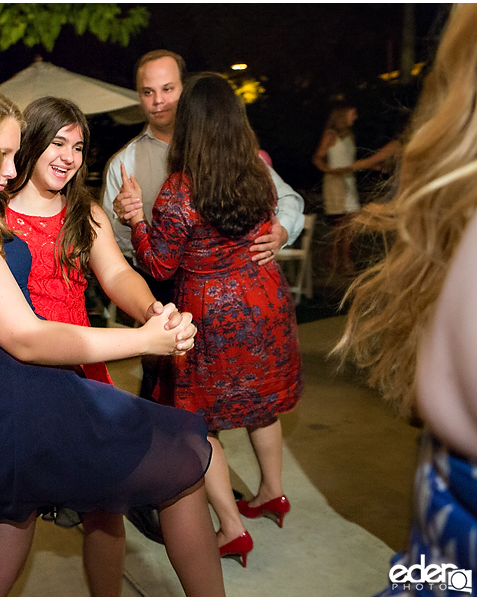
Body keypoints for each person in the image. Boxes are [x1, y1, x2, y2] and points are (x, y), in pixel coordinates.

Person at [0, 80, 224, 597]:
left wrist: (149, 314)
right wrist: (145, 340)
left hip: (16, 391)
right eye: (3, 154)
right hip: (16, 394)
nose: (10, 169)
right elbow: (25, 336)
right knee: (186, 457)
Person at [126, 72, 303, 568]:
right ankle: (273, 492)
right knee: (261, 403)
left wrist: (136, 219)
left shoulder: (180, 193)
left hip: (213, 314)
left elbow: (159, 264)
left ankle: (231, 527)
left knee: (195, 421)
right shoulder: (257, 174)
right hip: (264, 300)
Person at [334, 4, 476, 593]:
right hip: (337, 191)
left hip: (435, 565)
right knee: (342, 248)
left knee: (343, 247)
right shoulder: (331, 139)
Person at [106, 50, 304, 411]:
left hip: (229, 289)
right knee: (168, 402)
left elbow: (288, 199)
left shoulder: (234, 153)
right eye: (147, 92)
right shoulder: (123, 162)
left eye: (168, 88)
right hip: (162, 292)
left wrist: (282, 232)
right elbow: (116, 249)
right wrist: (127, 220)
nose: (158, 100)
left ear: (186, 90)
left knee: (233, 398)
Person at [312, 99, 361, 274]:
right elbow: (318, 157)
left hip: (349, 180)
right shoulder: (330, 135)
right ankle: (337, 261)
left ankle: (340, 260)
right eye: (352, 113)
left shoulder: (350, 136)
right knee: (340, 224)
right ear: (343, 115)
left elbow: (349, 160)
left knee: (350, 223)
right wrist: (329, 170)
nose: (355, 117)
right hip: (335, 182)